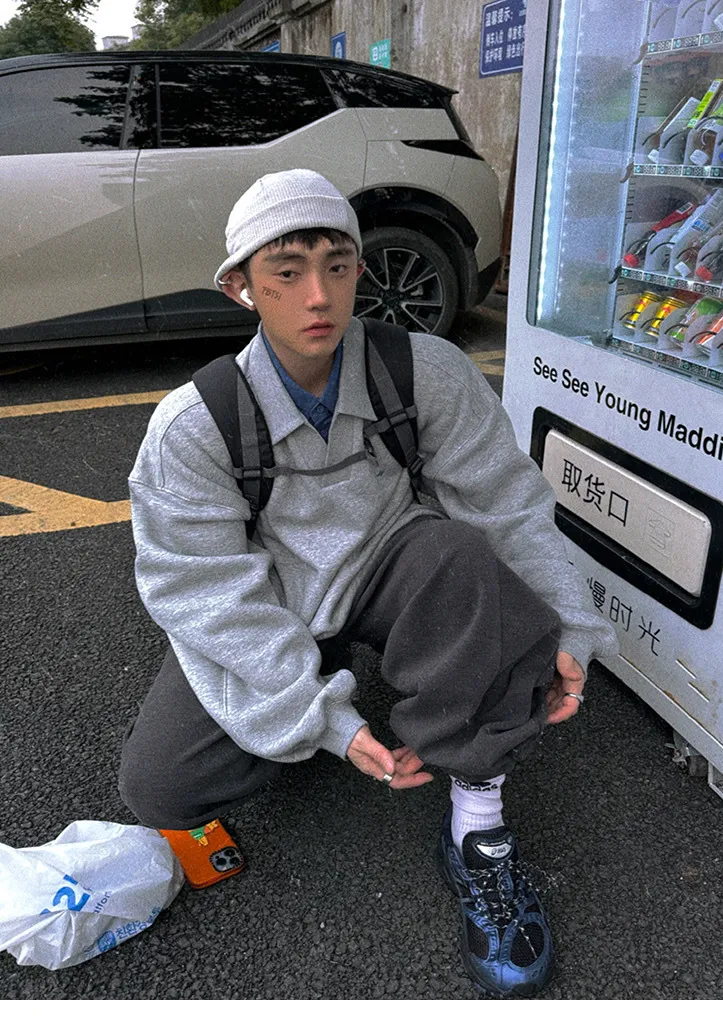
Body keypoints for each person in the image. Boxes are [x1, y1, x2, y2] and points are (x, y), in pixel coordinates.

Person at [119, 168, 618, 998]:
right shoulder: (192, 426)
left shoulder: (425, 371)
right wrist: (323, 721)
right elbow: (201, 591)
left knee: (462, 558)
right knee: (160, 787)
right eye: (286, 271)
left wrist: (570, 624)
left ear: (359, 268)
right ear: (241, 287)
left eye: (338, 265)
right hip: (278, 600)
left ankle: (477, 832)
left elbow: (508, 505)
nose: (319, 295)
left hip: (394, 564)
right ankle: (320, 682)